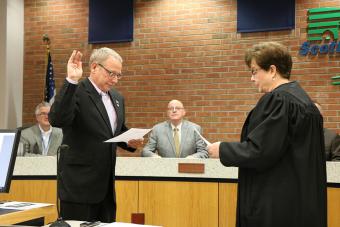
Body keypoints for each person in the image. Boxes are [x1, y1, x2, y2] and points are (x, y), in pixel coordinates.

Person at [208, 42, 327, 227]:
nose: (251, 78)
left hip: (276, 206)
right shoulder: (307, 104)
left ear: (272, 70)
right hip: (302, 204)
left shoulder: (278, 100)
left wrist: (222, 150)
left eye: (254, 71)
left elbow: (261, 150)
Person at [49, 47, 143, 222]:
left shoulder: (117, 98)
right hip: (79, 188)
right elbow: (57, 119)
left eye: (118, 75)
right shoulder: (76, 91)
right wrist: (71, 80)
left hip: (106, 189)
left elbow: (115, 131)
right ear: (94, 67)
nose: (115, 80)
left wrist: (129, 141)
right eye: (111, 74)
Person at [142, 100, 208, 158]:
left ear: (184, 112)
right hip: (165, 169)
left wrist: (192, 158)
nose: (174, 110)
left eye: (178, 108)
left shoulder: (194, 129)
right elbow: (146, 151)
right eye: (171, 108)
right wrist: (155, 157)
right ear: (167, 113)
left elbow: (203, 152)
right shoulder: (157, 129)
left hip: (189, 168)